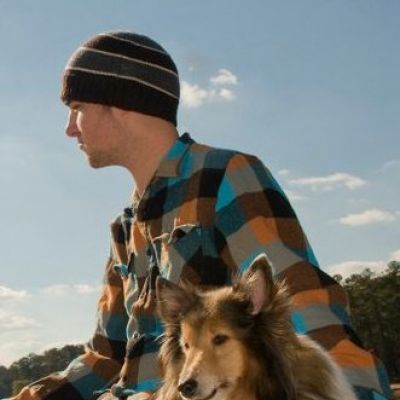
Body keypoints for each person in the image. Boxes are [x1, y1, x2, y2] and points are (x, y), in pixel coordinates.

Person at [9, 31, 391, 400]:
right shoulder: (123, 228)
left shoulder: (225, 176)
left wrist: (357, 392)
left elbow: (305, 313)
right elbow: (105, 358)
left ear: (119, 102)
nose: (68, 128)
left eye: (77, 108)